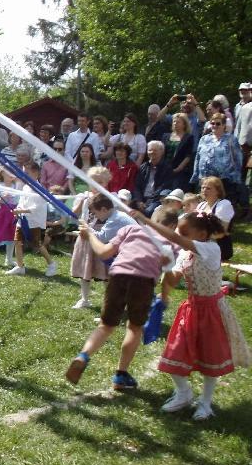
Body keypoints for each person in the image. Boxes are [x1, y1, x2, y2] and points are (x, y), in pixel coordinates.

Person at [135, 211, 250, 420]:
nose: (180, 233)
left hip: (212, 310)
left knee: (209, 356)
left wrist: (146, 221)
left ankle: (205, 403)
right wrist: (167, 264)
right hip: (192, 308)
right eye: (180, 229)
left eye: (185, 230)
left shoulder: (211, 248)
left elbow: (175, 238)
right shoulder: (185, 253)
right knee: (174, 352)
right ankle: (183, 394)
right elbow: (172, 280)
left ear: (203, 233)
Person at [66, 207, 179, 390]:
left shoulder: (132, 229)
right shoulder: (171, 244)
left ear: (152, 219)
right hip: (143, 282)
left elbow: (103, 253)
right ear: (173, 226)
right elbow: (168, 276)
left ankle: (83, 356)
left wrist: (89, 235)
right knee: (134, 327)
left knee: (106, 326)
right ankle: (121, 375)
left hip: (118, 276)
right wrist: (164, 296)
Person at [70, 167, 116, 309]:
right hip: (85, 236)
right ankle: (84, 298)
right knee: (85, 269)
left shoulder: (111, 198)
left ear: (107, 182)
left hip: (102, 238)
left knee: (105, 271)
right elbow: (73, 214)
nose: (98, 185)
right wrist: (80, 202)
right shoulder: (84, 197)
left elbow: (114, 216)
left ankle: (109, 302)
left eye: (101, 182)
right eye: (94, 181)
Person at [4, 162, 57, 277]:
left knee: (37, 244)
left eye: (26, 173)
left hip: (34, 222)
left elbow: (35, 208)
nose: (24, 175)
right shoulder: (26, 187)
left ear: (36, 173)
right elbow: (22, 202)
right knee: (17, 242)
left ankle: (51, 264)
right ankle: (20, 266)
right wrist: (18, 210)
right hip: (22, 220)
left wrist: (21, 211)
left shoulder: (40, 189)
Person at [191, 113, 243, 204]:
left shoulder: (231, 139)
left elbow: (238, 159)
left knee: (222, 203)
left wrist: (236, 177)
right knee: (205, 203)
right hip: (205, 177)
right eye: (212, 123)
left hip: (225, 179)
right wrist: (196, 174)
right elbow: (198, 158)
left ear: (224, 125)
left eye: (218, 124)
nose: (215, 126)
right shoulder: (204, 139)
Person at [196, 176, 234, 261]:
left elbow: (219, 233)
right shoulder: (201, 205)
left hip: (218, 247)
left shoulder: (224, 204)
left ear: (218, 191)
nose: (204, 190)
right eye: (203, 187)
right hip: (201, 242)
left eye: (208, 188)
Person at [135, 141, 173, 216]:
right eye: (150, 150)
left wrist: (148, 202)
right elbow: (137, 186)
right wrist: (139, 201)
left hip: (156, 200)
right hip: (141, 199)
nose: (152, 152)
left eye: (155, 150)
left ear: (162, 152)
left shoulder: (167, 168)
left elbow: (163, 187)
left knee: (148, 212)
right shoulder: (143, 167)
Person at [161, 112, 195, 191]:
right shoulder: (165, 136)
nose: (175, 123)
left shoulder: (188, 137)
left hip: (180, 171)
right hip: (165, 170)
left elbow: (188, 155)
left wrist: (178, 168)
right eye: (174, 121)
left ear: (184, 124)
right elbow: (161, 152)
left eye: (178, 122)